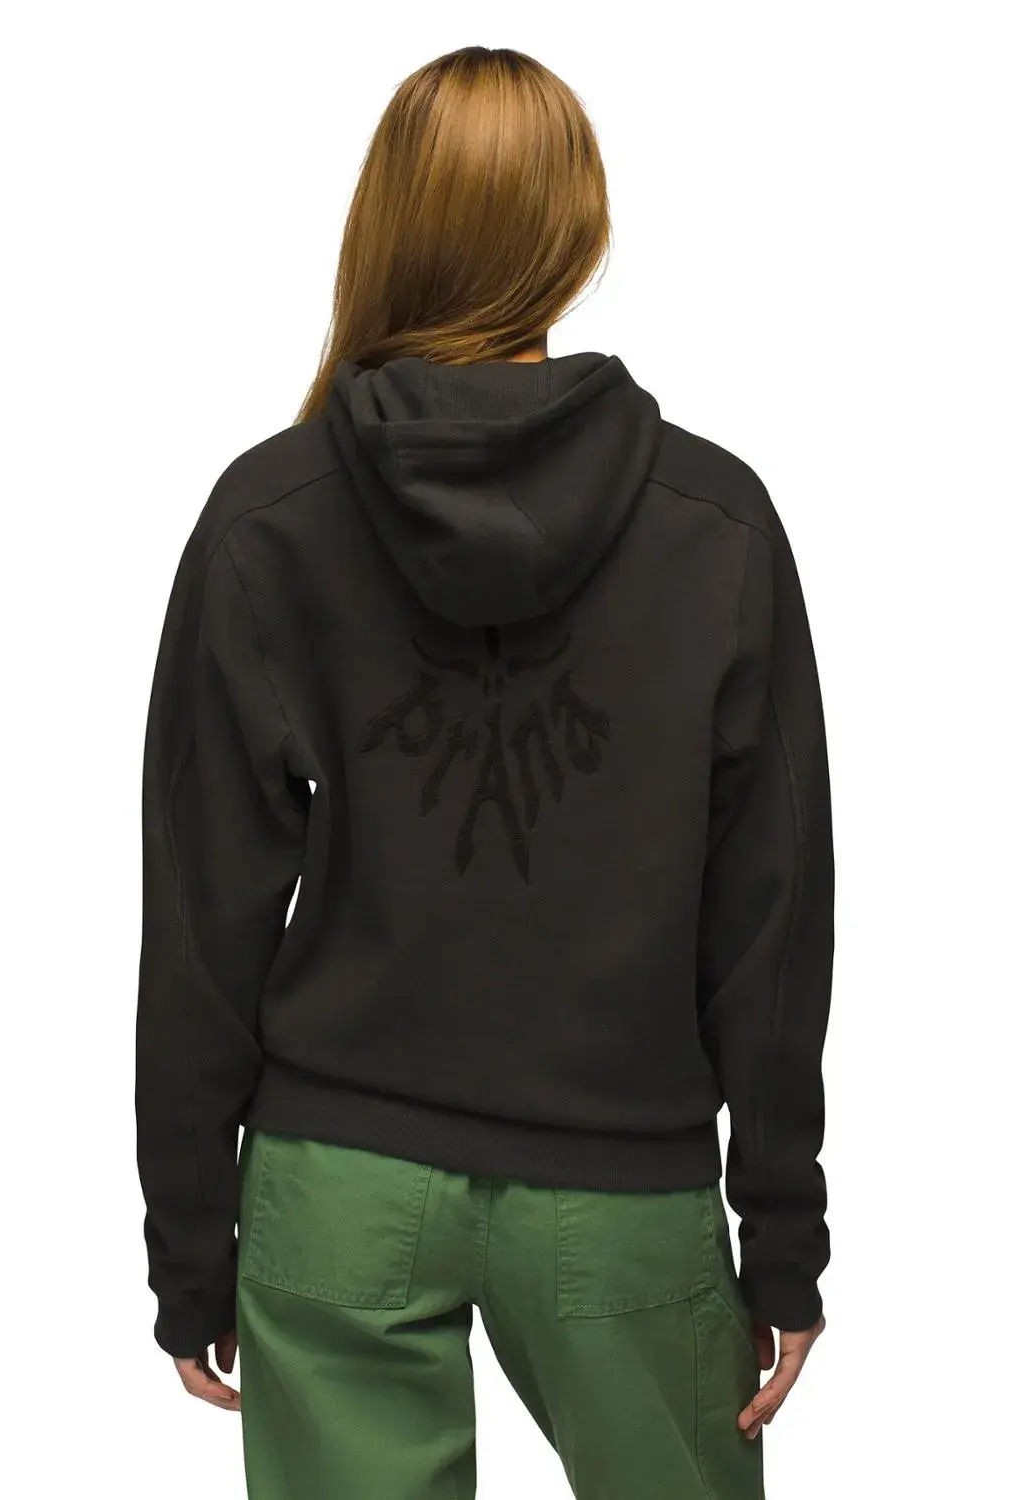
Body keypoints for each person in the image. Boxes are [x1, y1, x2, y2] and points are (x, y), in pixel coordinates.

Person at [135, 43, 833, 1500]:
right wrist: (780, 1232)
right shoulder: (712, 522)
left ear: (386, 218)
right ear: (577, 229)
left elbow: (201, 918)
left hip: (341, 1181)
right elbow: (769, 914)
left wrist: (191, 1242)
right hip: (623, 1185)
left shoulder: (271, 515)